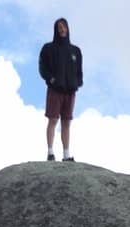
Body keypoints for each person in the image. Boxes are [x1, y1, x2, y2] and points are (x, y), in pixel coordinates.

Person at [38, 17, 83, 162]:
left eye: (64, 27)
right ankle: (50, 153)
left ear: (68, 28)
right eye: (59, 27)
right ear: (56, 30)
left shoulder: (75, 51)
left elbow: (79, 71)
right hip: (55, 90)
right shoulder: (48, 48)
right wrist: (51, 79)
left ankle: (66, 155)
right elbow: (42, 67)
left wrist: (78, 82)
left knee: (66, 122)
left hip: (70, 91)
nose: (62, 29)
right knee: (52, 120)